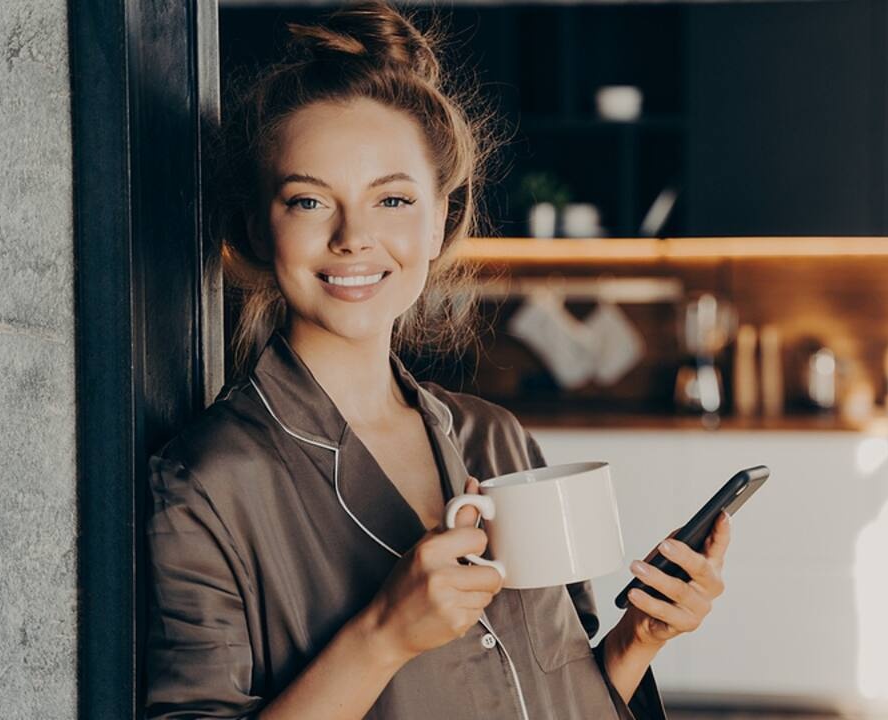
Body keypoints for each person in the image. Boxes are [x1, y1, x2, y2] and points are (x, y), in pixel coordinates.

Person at [144, 3, 731, 718]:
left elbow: (562, 690)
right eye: (308, 201)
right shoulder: (206, 485)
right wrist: (383, 635)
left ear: (438, 221)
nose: (355, 236)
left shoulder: (498, 440)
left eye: (391, 198)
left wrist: (640, 637)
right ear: (259, 229)